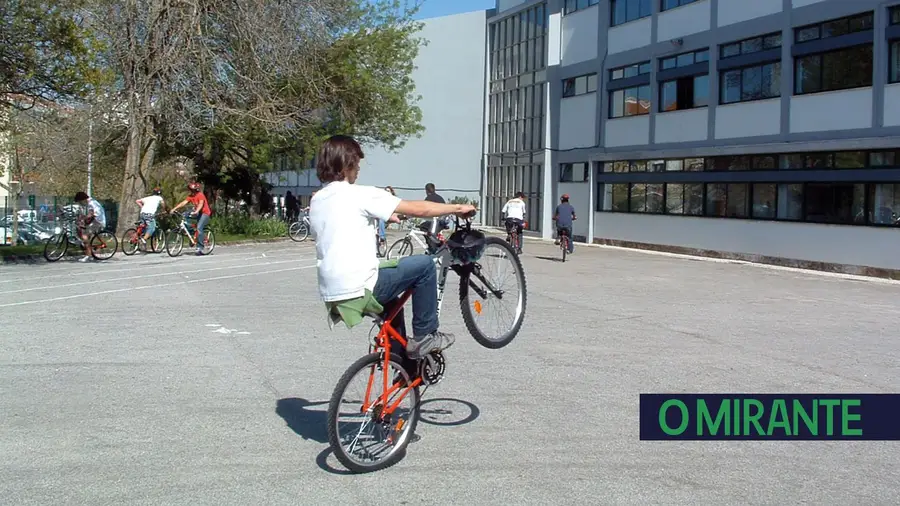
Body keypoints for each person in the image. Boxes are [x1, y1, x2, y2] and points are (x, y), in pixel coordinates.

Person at [310, 135, 476, 360]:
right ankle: (425, 335)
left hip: (333, 293)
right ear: (346, 164)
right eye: (356, 164)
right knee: (425, 265)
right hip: (360, 287)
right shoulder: (360, 193)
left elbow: (340, 227)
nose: (358, 169)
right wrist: (457, 208)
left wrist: (386, 217)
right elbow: (419, 209)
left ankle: (401, 364)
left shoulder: (317, 200)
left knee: (394, 307)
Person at [170, 182, 212, 255]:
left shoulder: (200, 195)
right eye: (191, 190)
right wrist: (174, 208)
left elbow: (201, 204)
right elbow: (184, 203)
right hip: (197, 212)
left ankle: (200, 248)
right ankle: (192, 234)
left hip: (205, 213)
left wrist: (196, 211)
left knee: (199, 228)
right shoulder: (190, 196)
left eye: (193, 190)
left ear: (196, 189)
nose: (192, 191)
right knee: (185, 216)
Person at [73, 191, 106, 263]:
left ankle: (88, 255)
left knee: (85, 236)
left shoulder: (92, 203)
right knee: (80, 228)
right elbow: (89, 214)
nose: (80, 203)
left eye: (80, 201)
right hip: (95, 220)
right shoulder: (89, 203)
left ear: (83, 199)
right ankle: (85, 244)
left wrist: (84, 219)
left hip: (98, 221)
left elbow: (93, 214)